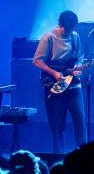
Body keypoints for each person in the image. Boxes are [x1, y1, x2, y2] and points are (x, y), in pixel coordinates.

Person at [33, 10, 86, 153]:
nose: (69, 32)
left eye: (72, 29)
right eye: (66, 29)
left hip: (74, 85)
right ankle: (59, 158)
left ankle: (84, 156)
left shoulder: (75, 37)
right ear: (60, 25)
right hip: (54, 85)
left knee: (80, 121)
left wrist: (77, 67)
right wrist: (54, 73)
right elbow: (37, 61)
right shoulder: (48, 38)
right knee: (57, 125)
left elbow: (80, 57)